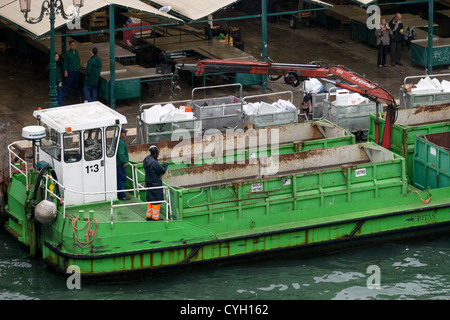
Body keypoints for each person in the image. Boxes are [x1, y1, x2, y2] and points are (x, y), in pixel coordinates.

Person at [143, 145, 168, 221]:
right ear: (156, 153)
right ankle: (155, 217)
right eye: (158, 153)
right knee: (156, 201)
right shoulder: (154, 163)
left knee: (150, 199)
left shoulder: (146, 159)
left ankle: (149, 216)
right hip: (155, 183)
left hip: (148, 182)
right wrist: (165, 162)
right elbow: (162, 170)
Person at [117, 128, 130, 201]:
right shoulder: (121, 142)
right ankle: (121, 195)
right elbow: (121, 154)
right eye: (124, 133)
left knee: (119, 179)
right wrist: (125, 161)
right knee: (122, 179)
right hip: (121, 164)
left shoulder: (118, 141)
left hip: (119, 163)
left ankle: (120, 193)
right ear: (120, 133)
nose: (126, 134)